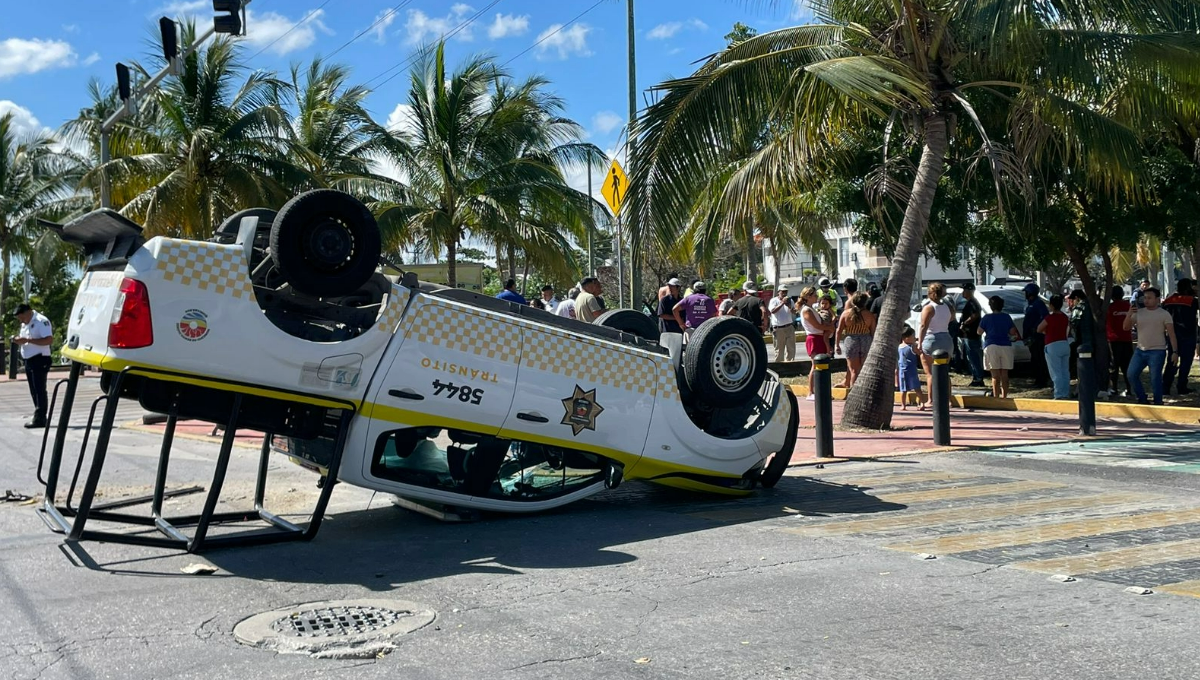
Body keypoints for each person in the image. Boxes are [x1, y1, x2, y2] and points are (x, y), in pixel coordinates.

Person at [1124, 287, 1178, 405]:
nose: (1146, 300)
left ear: (1157, 299)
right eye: (1145, 298)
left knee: (1155, 379)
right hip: (1140, 350)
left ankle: (1158, 402)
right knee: (1131, 374)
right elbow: (1126, 328)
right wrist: (1129, 314)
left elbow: (1171, 334)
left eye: (1149, 298)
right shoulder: (1139, 312)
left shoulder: (1164, 314)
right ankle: (1142, 398)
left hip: (1157, 351)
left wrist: (1175, 351)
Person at [914, 282, 953, 409]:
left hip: (931, 339)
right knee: (944, 371)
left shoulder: (929, 308)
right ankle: (948, 400)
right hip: (946, 338)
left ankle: (930, 400)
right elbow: (951, 319)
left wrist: (919, 342)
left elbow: (924, 326)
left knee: (930, 373)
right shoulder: (948, 306)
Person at [14, 303, 53, 428]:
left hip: (40, 358)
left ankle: (40, 418)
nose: (20, 320)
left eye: (21, 317)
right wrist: (18, 339)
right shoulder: (25, 324)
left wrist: (28, 341)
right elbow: (25, 339)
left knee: (39, 389)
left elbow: (48, 340)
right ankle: (38, 415)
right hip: (29, 359)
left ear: (28, 312)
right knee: (33, 390)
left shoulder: (41, 321)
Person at [978, 295, 1021, 398]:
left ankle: (996, 397)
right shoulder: (1006, 317)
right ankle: (1004, 396)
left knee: (995, 375)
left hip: (991, 345)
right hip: (1005, 345)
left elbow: (979, 331)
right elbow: (1012, 331)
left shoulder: (986, 317)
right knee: (1004, 375)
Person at [1161, 279, 1199, 395]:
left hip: (1172, 334)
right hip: (1188, 334)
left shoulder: (1168, 301)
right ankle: (1181, 386)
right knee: (1186, 362)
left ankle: (1165, 387)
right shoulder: (1192, 301)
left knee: (1171, 360)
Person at [797, 286, 834, 401]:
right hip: (814, 338)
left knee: (821, 365)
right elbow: (817, 325)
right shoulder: (806, 310)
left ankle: (819, 391)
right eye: (814, 296)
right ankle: (810, 392)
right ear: (808, 297)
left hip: (819, 337)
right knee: (815, 365)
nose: (816, 297)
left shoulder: (810, 309)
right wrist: (829, 327)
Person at [836, 292, 876, 390]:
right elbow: (873, 332)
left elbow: (839, 330)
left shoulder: (846, 314)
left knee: (854, 370)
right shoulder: (869, 315)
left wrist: (837, 345)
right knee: (863, 368)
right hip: (865, 340)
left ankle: (853, 391)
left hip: (851, 340)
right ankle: (863, 390)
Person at [1037, 294, 1071, 399]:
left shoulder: (1049, 318)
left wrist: (1046, 332)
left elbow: (1039, 329)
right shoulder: (1065, 317)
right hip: (1064, 343)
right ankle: (1065, 392)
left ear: (1051, 305)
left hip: (1052, 345)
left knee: (1055, 372)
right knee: (1065, 370)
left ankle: (1059, 394)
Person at [1105, 285, 1134, 395]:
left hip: (1113, 340)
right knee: (1127, 365)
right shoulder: (1128, 306)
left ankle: (1114, 389)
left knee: (1114, 366)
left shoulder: (1108, 308)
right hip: (1127, 339)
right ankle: (1130, 388)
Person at [1022, 283, 1050, 388]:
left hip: (1037, 336)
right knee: (1034, 358)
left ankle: (1042, 380)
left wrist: (1036, 328)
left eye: (1026, 292)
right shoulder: (1029, 304)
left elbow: (1045, 317)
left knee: (1039, 359)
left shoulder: (1038, 304)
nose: (1025, 294)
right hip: (1030, 336)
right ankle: (1037, 379)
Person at [958, 283, 986, 387]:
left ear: (969, 291)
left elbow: (975, 315)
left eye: (964, 290)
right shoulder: (970, 302)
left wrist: (964, 323)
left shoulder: (973, 303)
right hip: (968, 334)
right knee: (971, 356)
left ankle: (978, 378)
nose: (963, 292)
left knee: (974, 356)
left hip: (972, 334)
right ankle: (976, 376)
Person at [898, 327, 924, 410]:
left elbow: (919, 353)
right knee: (903, 389)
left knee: (916, 388)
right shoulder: (900, 347)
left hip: (911, 370)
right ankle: (903, 404)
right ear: (906, 338)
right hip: (902, 370)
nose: (914, 338)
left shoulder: (912, 346)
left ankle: (922, 403)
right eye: (913, 336)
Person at [768, 286, 796, 361]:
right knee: (779, 351)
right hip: (778, 328)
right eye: (782, 292)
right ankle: (780, 368)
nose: (784, 294)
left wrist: (789, 306)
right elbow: (773, 311)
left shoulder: (790, 301)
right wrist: (782, 303)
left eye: (786, 292)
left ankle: (790, 366)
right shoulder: (774, 301)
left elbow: (794, 312)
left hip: (789, 327)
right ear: (778, 292)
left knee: (791, 349)